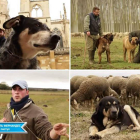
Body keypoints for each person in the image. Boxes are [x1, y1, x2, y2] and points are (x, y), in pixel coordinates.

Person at [0, 80, 69, 140]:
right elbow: (4, 135)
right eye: (14, 89)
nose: (17, 92)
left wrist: (54, 132)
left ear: (27, 92)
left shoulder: (37, 112)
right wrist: (1, 127)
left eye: (20, 89)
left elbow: (45, 133)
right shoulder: (9, 110)